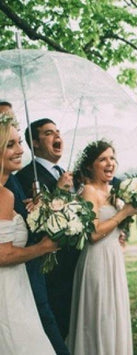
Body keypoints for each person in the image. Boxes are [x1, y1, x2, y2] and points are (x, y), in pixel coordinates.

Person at [68, 140, 137, 355]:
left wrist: (120, 231)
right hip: (97, 261)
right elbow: (93, 234)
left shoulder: (113, 190)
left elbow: (110, 227)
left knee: (113, 314)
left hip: (114, 258)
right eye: (103, 159)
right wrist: (123, 214)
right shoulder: (89, 191)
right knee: (100, 316)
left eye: (112, 158)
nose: (110, 163)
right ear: (90, 166)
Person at [0, 112, 57, 354]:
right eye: (10, 145)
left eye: (19, 142)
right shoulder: (3, 195)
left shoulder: (9, 191)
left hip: (17, 289)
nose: (20, 150)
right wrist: (44, 247)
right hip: (8, 295)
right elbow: (2, 255)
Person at [16, 118, 72, 353]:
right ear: (34, 143)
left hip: (72, 263)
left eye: (58, 131)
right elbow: (36, 223)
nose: (57, 136)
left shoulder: (66, 172)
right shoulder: (27, 176)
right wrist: (58, 191)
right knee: (55, 324)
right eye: (49, 133)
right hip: (50, 268)